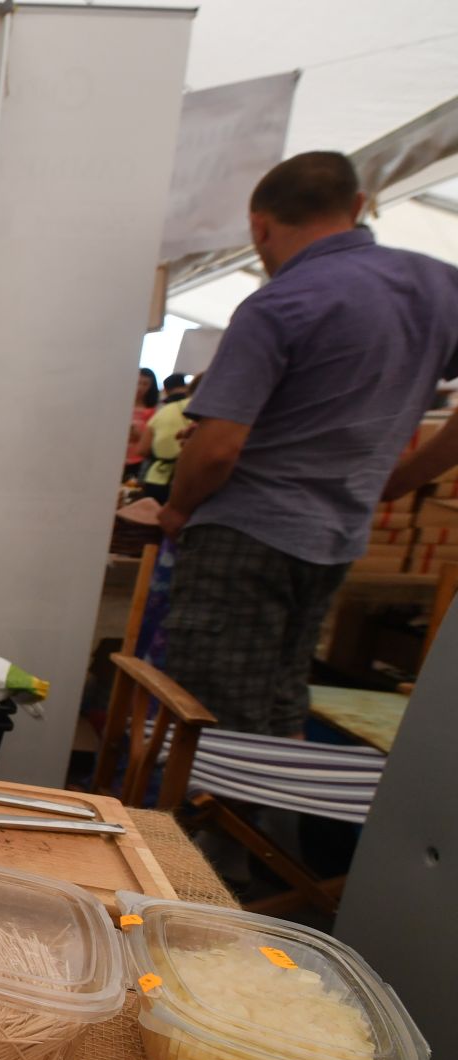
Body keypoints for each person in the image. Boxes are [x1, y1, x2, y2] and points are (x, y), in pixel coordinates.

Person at [158, 151, 458, 734]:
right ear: (356, 206)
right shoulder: (439, 287)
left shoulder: (278, 303)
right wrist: (394, 481)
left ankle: (205, 825)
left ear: (259, 226)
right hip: (335, 536)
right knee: (280, 693)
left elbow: (218, 448)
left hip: (244, 537)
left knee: (213, 713)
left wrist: (176, 509)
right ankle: (263, 821)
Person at [140, 374, 196, 504]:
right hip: (189, 481)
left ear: (165, 390)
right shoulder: (203, 412)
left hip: (157, 477)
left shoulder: (162, 412)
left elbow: (142, 449)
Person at [126, 367, 160, 474]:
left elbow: (150, 439)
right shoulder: (121, 407)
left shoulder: (152, 412)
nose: (140, 387)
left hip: (137, 462)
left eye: (145, 384)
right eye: (138, 382)